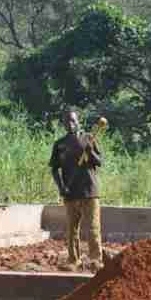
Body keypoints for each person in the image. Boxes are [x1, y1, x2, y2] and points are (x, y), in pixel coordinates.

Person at [49, 109, 103, 269]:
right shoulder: (60, 144)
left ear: (78, 121)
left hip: (89, 192)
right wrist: (61, 187)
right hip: (70, 193)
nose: (70, 124)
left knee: (93, 228)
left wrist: (90, 151)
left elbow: (99, 162)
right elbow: (54, 169)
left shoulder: (89, 138)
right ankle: (74, 260)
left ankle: (96, 261)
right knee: (72, 230)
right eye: (67, 122)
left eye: (73, 121)